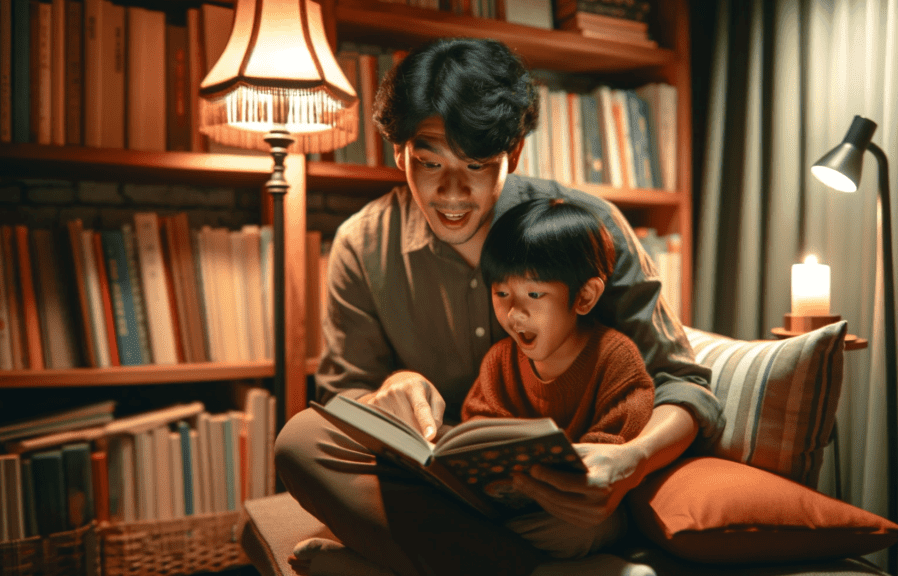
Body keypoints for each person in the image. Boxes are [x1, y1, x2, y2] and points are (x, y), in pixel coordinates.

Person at [274, 37, 724, 576]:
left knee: (580, 522)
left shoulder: (586, 225)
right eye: (429, 162)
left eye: (477, 165)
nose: (452, 192)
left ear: (512, 154)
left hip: (560, 496)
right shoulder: (363, 245)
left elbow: (683, 382)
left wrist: (628, 462)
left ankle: (403, 564)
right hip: (436, 488)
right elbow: (341, 402)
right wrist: (384, 394)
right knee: (299, 442)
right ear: (400, 153)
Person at [462, 198, 655, 560]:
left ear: (584, 296)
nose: (514, 312)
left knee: (588, 528)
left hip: (577, 511)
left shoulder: (615, 358)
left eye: (535, 294)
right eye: (502, 293)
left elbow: (607, 456)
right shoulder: (499, 361)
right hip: (508, 508)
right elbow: (478, 430)